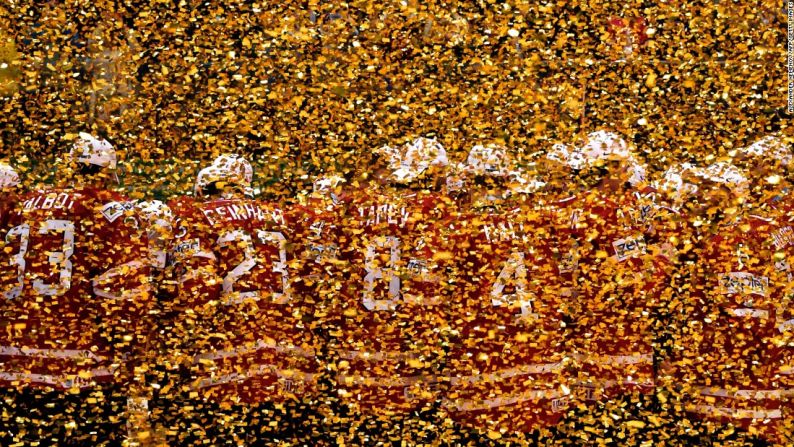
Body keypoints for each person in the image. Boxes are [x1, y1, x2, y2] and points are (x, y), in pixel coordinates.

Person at [161, 154, 326, 446]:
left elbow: (197, 288)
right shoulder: (282, 215)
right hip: (286, 342)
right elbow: (312, 276)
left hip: (229, 342)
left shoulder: (196, 215)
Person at [0, 132, 152, 446]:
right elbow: (124, 285)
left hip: (15, 360)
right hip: (81, 363)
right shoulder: (111, 207)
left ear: (69, 165)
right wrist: (130, 347)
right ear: (108, 169)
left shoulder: (24, 205)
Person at [330, 136, 457, 446]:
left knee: (363, 407)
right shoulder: (431, 206)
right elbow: (434, 265)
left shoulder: (359, 202)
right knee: (413, 413)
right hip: (412, 320)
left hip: (363, 318)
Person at [443, 143, 570, 446]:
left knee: (482, 420)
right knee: (533, 416)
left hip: (484, 331)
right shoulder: (538, 218)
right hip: (533, 327)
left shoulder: (462, 224)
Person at [668, 161, 788, 447]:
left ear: (732, 195)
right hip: (719, 363)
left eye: (713, 190)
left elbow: (745, 312)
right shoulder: (711, 234)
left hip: (736, 367)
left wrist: (709, 349)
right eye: (703, 189)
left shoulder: (736, 237)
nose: (702, 196)